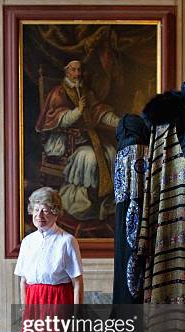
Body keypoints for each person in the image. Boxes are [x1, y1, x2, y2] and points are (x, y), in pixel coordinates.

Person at [13, 187, 91, 332]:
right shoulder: (27, 242)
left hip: (58, 301)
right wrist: (25, 311)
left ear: (55, 212)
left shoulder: (67, 241)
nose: (40, 215)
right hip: (33, 301)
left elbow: (77, 282)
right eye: (37, 209)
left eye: (46, 210)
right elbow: (23, 279)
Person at [36, 60, 120, 221]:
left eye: (79, 70)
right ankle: (79, 203)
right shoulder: (58, 92)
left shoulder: (86, 91)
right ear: (67, 72)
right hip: (63, 140)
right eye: (73, 70)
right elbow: (57, 119)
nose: (77, 73)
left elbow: (99, 111)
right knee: (89, 158)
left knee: (111, 151)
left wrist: (120, 122)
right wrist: (79, 111)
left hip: (85, 138)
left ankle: (104, 201)